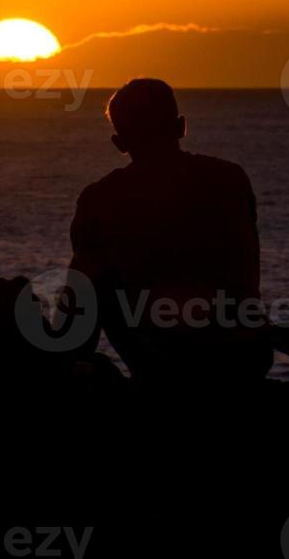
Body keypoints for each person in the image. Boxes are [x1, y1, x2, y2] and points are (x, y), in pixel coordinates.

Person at [67, 78, 271, 389]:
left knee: (94, 277)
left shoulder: (99, 198)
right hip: (245, 355)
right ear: (181, 127)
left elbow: (81, 296)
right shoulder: (231, 179)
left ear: (119, 143)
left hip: (160, 361)